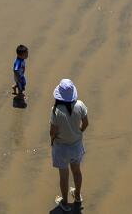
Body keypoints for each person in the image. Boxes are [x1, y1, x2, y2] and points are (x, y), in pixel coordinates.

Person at [49, 78, 88, 212]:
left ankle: (65, 203)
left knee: (64, 176)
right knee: (77, 171)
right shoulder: (80, 105)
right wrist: (79, 132)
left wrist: (52, 141)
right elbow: (86, 123)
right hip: (76, 145)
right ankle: (77, 196)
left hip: (61, 148)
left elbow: (52, 131)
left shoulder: (55, 110)